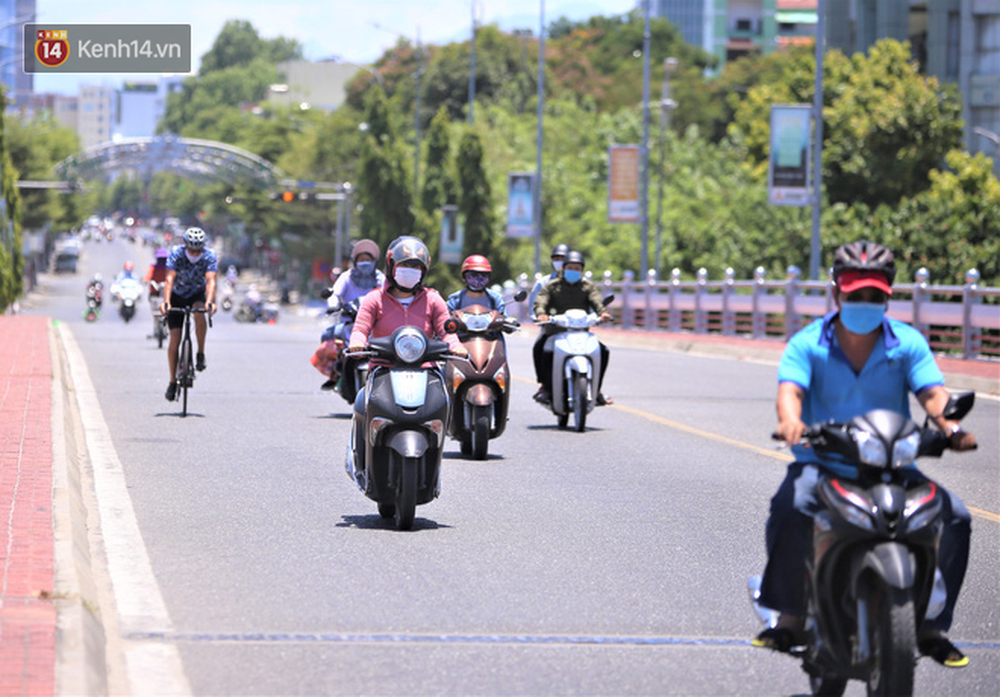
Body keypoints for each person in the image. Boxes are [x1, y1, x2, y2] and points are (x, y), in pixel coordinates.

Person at [754, 240, 977, 668]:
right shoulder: (808, 343)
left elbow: (932, 393)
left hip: (893, 466)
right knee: (791, 507)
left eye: (875, 296)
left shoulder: (907, 343)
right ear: (838, 294)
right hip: (823, 464)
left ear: (888, 297)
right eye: (856, 295)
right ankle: (790, 616)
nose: (865, 303)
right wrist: (791, 423)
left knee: (956, 518)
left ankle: (931, 627)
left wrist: (950, 426)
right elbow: (791, 393)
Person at [346, 236, 468, 474]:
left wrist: (455, 346)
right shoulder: (375, 299)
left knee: (442, 403)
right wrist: (357, 343)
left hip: (426, 370)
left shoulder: (433, 299)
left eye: (416, 267)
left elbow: (446, 331)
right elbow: (360, 329)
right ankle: (361, 462)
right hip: (383, 369)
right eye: (405, 266)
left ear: (424, 271)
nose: (410, 271)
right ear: (392, 266)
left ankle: (434, 461)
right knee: (362, 404)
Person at [532, 249, 613, 405]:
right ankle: (546, 388)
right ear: (564, 268)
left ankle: (596, 391)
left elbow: (597, 301)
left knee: (603, 351)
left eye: (577, 269)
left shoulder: (587, 286)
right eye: (570, 268)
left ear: (582, 270)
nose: (573, 271)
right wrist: (542, 314)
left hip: (581, 332)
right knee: (541, 349)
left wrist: (603, 313)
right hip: (555, 331)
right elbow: (540, 301)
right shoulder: (552, 286)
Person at [158, 227, 218, 401]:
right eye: (191, 249)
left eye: (197, 249)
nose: (194, 252)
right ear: (185, 246)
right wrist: (166, 301)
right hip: (176, 295)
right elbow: (169, 279)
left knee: (200, 313)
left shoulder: (209, 256)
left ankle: (200, 353)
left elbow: (211, 281)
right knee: (175, 337)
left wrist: (210, 302)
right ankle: (172, 381)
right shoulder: (176, 253)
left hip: (196, 294)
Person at [318, 239, 386, 390]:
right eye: (362, 260)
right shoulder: (346, 277)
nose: (365, 263)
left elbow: (389, 295)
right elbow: (335, 293)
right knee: (327, 335)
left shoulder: (380, 278)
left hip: (375, 326)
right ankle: (334, 374)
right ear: (355, 261)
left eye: (368, 260)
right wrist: (333, 304)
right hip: (349, 323)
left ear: (374, 261)